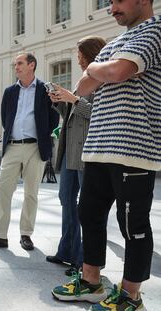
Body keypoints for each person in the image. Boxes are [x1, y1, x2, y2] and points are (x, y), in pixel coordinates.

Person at [52, 1, 161, 310]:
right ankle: (91, 282)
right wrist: (101, 70)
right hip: (99, 145)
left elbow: (117, 71)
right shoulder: (114, 43)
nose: (112, 7)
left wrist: (97, 67)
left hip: (133, 146)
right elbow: (84, 86)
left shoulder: (155, 31)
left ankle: (130, 297)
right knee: (88, 213)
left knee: (132, 224)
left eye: (118, 0)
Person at [0, 52, 59, 251]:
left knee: (31, 193)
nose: (16, 67)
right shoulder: (9, 91)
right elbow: (6, 118)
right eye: (15, 64)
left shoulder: (45, 89)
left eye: (20, 63)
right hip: (12, 146)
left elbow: (54, 118)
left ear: (32, 65)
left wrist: (41, 135)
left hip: (35, 147)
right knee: (3, 190)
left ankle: (26, 234)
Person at [45, 36, 106, 276]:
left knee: (86, 208)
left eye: (81, 55)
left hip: (88, 152)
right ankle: (66, 252)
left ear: (92, 54)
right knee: (66, 202)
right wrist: (60, 102)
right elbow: (73, 113)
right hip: (71, 152)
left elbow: (99, 114)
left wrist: (74, 99)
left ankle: (84, 260)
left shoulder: (103, 79)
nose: (78, 59)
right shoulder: (83, 79)